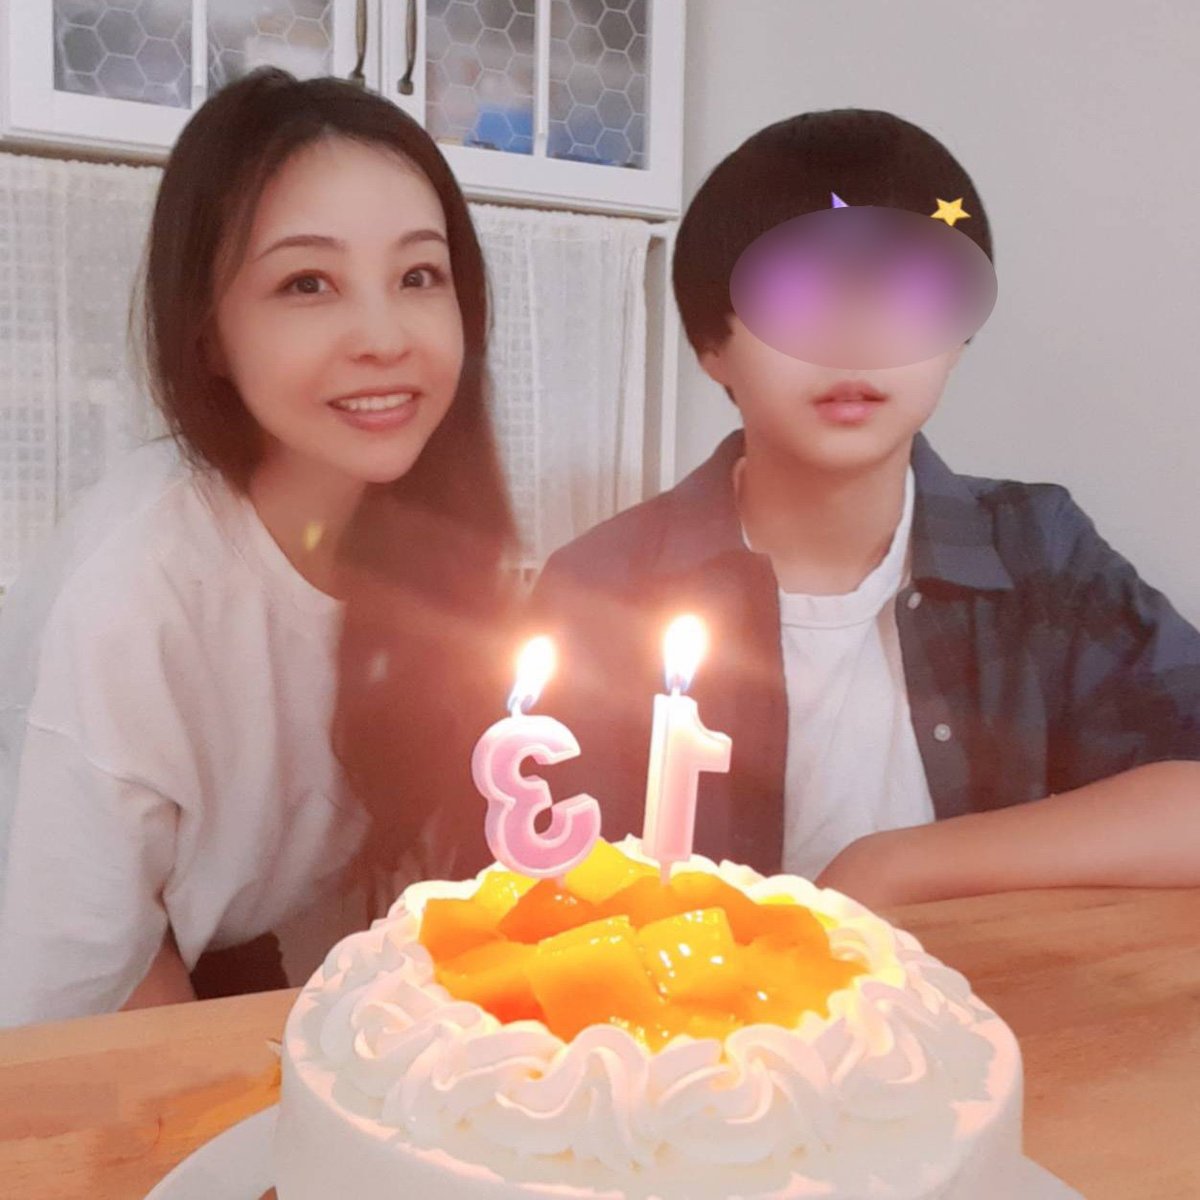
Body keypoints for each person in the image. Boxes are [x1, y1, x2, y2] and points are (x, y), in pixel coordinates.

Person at [530, 109, 1200, 909]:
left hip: (976, 992)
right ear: (713, 344)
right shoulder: (603, 590)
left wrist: (896, 864)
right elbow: (534, 885)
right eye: (794, 295)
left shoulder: (1036, 552)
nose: (853, 338)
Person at [0, 68, 516, 1027]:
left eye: (418, 276)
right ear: (208, 334)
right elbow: (80, 983)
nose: (383, 337)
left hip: (231, 966)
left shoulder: (433, 547)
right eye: (306, 283)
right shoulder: (133, 597)